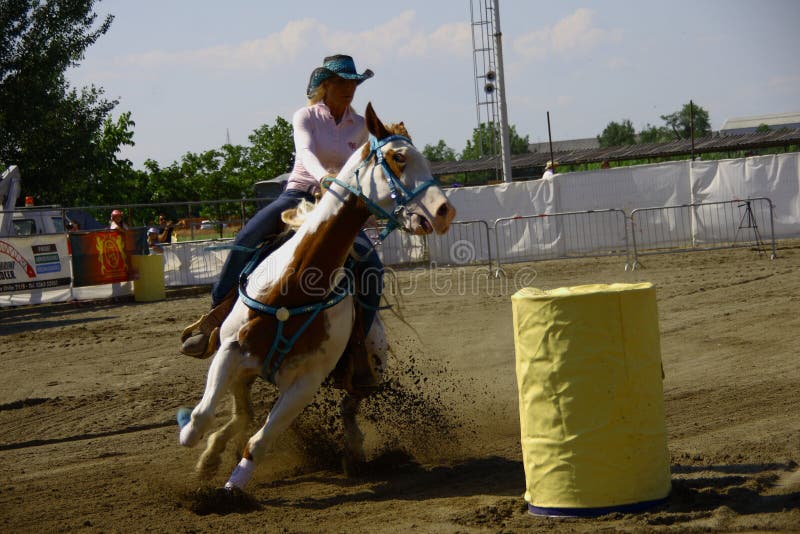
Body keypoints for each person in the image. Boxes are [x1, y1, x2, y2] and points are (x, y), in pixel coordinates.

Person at [180, 54, 382, 359]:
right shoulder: (305, 116)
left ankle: (359, 344)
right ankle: (214, 320)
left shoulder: (362, 127)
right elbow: (306, 153)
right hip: (299, 194)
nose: (349, 88)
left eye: (353, 82)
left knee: (372, 267)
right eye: (341, 82)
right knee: (247, 238)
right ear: (324, 86)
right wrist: (325, 178)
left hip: (339, 206)